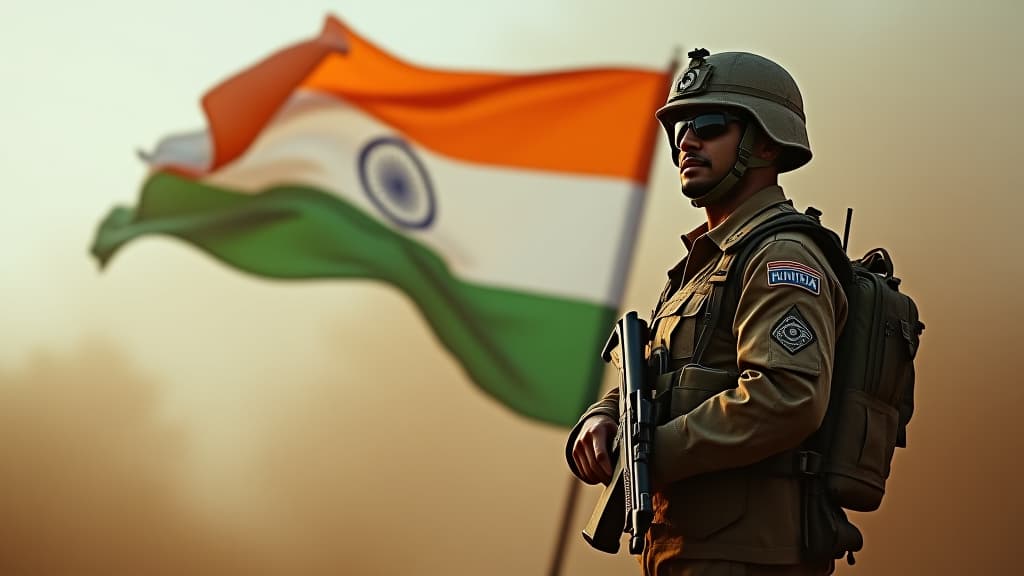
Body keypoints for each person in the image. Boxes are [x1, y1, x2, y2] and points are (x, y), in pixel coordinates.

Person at [565, 49, 848, 576]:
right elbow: (660, 377)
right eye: (679, 132)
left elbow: (786, 396)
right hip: (688, 551)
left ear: (766, 142)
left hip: (747, 556)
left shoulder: (780, 256)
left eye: (710, 124)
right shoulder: (705, 264)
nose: (686, 142)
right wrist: (604, 418)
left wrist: (652, 453)